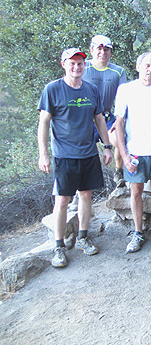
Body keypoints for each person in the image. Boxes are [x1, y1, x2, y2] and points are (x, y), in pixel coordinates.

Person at [38, 48, 113, 268]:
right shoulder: (53, 89)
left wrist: (107, 146)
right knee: (62, 199)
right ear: (63, 64)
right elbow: (43, 123)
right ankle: (59, 246)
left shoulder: (91, 89)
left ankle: (82, 237)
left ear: (84, 65)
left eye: (80, 63)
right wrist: (44, 153)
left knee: (86, 196)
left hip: (88, 152)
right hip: (64, 155)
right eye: (72, 63)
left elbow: (99, 119)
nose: (76, 67)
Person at [114, 52, 151, 253]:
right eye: (147, 66)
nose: (150, 70)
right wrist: (124, 155)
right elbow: (119, 123)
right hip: (135, 153)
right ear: (138, 66)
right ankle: (137, 233)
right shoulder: (126, 90)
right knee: (136, 191)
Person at [84, 35, 127, 184]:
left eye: (106, 49)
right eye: (99, 49)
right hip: (86, 119)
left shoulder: (118, 71)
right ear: (91, 50)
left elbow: (122, 97)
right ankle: (78, 192)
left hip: (107, 117)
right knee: (81, 154)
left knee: (121, 139)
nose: (103, 52)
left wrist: (120, 119)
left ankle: (119, 172)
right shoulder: (83, 67)